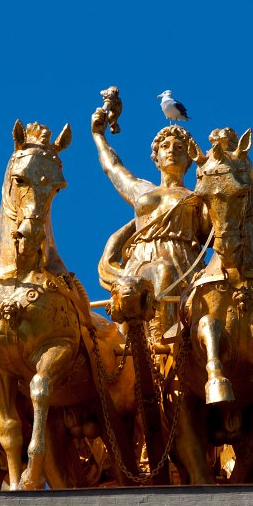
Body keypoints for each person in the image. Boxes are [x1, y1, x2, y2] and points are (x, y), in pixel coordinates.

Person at [91, 108, 210, 344]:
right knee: (156, 274)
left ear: (189, 159)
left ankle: (162, 347)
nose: (172, 151)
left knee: (164, 272)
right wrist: (98, 136)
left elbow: (220, 225)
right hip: (141, 259)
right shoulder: (142, 190)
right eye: (165, 146)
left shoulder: (198, 197)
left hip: (182, 261)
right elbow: (113, 167)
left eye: (180, 148)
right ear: (156, 157)